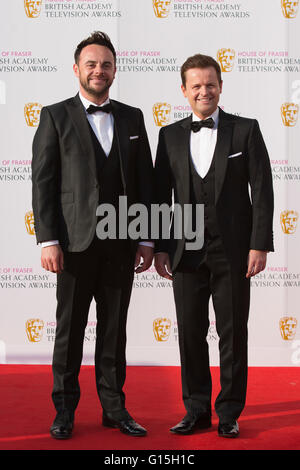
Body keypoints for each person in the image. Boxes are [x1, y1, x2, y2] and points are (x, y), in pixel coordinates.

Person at [32, 31, 154, 439]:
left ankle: (114, 408)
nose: (98, 70)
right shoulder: (54, 115)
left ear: (115, 70)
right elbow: (43, 182)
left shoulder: (133, 117)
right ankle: (64, 410)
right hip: (73, 244)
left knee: (114, 329)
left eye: (105, 64)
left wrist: (147, 238)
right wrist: (48, 240)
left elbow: (145, 182)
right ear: (76, 70)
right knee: (69, 331)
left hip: (121, 242)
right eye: (91, 64)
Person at [154, 54, 274, 438]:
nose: (204, 91)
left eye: (210, 84)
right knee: (189, 332)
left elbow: (264, 191)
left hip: (234, 250)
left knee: (233, 332)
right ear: (184, 91)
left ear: (220, 86)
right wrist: (158, 246)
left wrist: (259, 245)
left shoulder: (246, 130)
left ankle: (230, 412)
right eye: (196, 85)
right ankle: (195, 410)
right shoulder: (169, 135)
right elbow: (159, 195)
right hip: (184, 251)